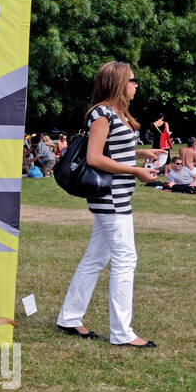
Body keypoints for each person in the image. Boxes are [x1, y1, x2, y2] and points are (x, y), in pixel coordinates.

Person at [56, 62, 161, 347]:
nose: (136, 85)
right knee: (126, 260)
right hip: (110, 197)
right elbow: (94, 158)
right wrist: (136, 171)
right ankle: (122, 333)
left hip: (116, 195)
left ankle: (69, 317)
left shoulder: (119, 114)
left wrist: (140, 153)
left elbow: (115, 150)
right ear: (116, 83)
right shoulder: (101, 113)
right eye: (131, 80)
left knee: (95, 259)